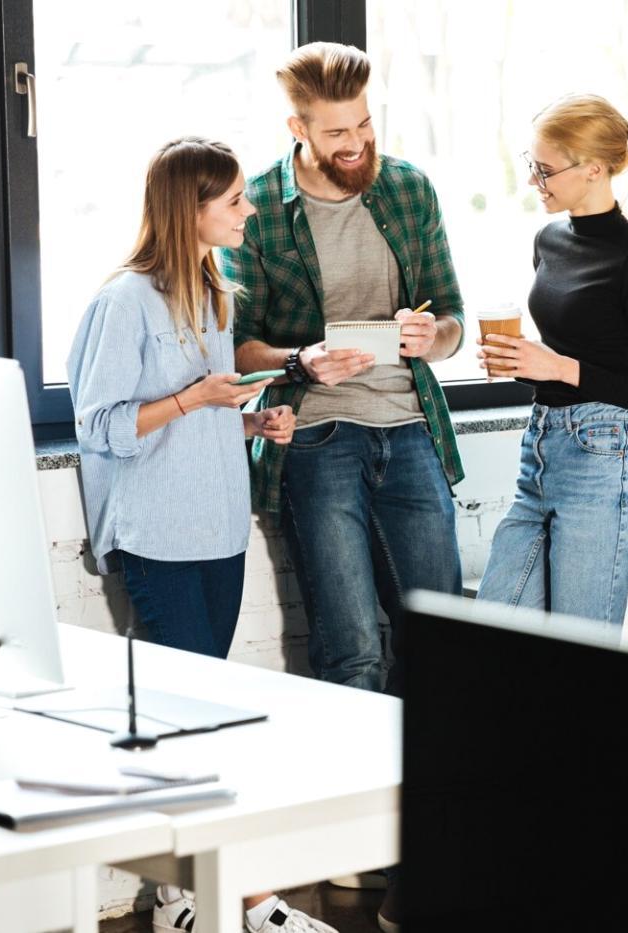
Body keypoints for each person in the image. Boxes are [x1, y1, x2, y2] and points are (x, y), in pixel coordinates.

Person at [68, 137, 328, 933]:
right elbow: (100, 424)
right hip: (157, 536)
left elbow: (203, 408)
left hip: (218, 529)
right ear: (192, 209)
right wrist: (192, 399)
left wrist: (250, 418)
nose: (249, 210)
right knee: (189, 724)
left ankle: (190, 896)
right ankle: (241, 901)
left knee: (205, 719)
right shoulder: (123, 302)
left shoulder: (216, 291)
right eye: (235, 201)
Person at [223, 41, 467, 697]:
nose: (357, 142)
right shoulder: (259, 209)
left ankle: (435, 793)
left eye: (363, 123)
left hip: (412, 428)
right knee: (352, 647)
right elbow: (237, 348)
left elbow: (452, 321)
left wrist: (429, 335)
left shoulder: (408, 190)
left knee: (443, 639)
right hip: (317, 435)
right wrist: (300, 360)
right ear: (297, 130)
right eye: (337, 132)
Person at [475, 94, 628, 626]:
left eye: (545, 171)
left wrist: (559, 368)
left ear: (594, 169)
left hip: (603, 461)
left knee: (579, 665)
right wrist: (521, 362)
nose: (534, 182)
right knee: (489, 634)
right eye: (532, 167)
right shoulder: (548, 239)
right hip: (541, 450)